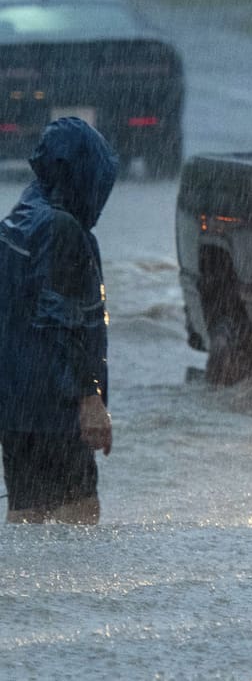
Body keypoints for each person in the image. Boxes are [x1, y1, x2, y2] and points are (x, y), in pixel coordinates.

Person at [1, 118, 117, 524]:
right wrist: (89, 401)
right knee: (80, 518)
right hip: (57, 408)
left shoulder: (18, 220)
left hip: (17, 408)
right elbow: (64, 322)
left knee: (26, 515)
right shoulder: (62, 229)